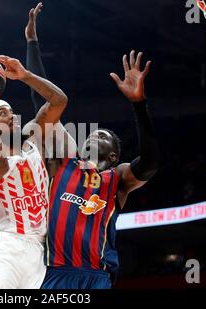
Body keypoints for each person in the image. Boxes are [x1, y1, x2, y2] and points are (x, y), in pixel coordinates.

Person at [24, 2, 159, 289]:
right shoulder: (62, 163)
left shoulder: (117, 180)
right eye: (93, 133)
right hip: (52, 273)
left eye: (104, 135)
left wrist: (139, 105)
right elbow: (44, 106)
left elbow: (150, 164)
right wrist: (32, 44)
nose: (95, 134)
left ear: (113, 155)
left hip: (96, 276)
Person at [0, 49, 68, 288]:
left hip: (38, 251)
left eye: (11, 111)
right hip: (6, 247)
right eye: (2, 113)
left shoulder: (32, 139)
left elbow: (59, 101)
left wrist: (26, 75)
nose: (12, 116)